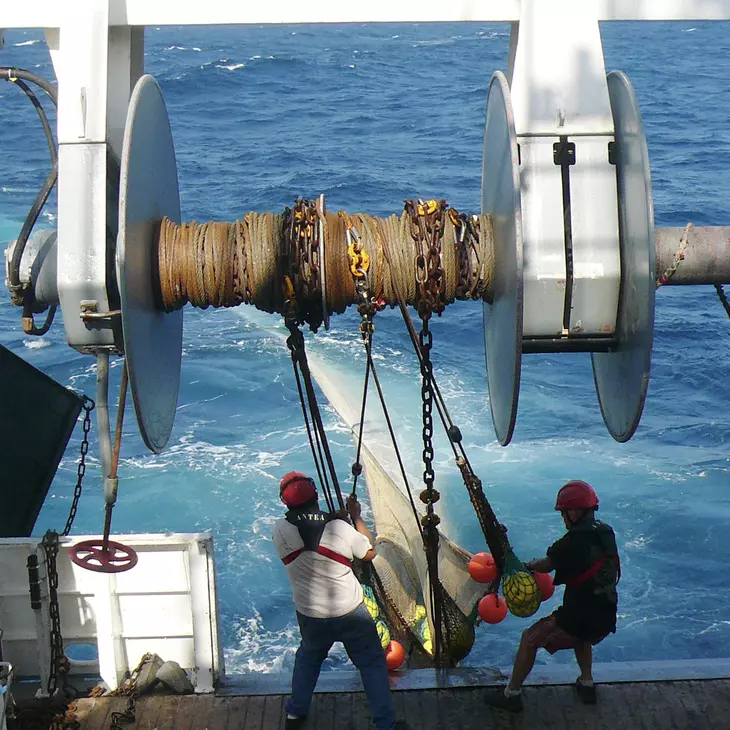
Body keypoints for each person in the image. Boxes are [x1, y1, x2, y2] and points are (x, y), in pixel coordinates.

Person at [272, 471, 408, 730]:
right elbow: (368, 552)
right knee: (371, 663)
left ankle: (296, 713)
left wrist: (333, 522)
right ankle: (385, 724)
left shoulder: (280, 530)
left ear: (285, 503)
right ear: (316, 496)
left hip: (311, 613)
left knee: (309, 658)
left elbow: (307, 532)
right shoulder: (338, 528)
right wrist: (354, 517)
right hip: (350, 611)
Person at [485, 479, 620, 713]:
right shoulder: (606, 531)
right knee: (583, 637)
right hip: (606, 617)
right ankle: (586, 684)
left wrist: (525, 566)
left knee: (530, 638)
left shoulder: (569, 543)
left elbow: (546, 565)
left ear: (575, 511)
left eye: (564, 513)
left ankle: (512, 695)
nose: (563, 518)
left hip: (579, 619)